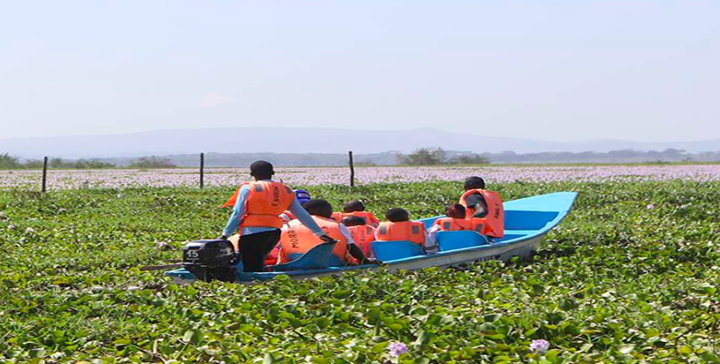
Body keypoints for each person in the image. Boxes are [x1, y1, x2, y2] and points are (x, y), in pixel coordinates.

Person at [219, 161, 334, 272]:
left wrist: (225, 234)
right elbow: (302, 214)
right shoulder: (286, 190)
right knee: (258, 262)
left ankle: (257, 285)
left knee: (251, 266)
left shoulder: (248, 188)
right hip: (274, 233)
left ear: (252, 175)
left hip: (252, 233)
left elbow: (238, 213)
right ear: (273, 173)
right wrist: (319, 233)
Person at [279, 199, 369, 265]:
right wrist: (364, 261)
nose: (331, 213)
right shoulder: (337, 226)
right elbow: (352, 247)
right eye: (329, 210)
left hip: (295, 262)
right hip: (332, 262)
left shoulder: (287, 226)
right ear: (319, 210)